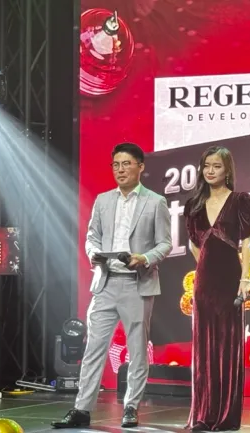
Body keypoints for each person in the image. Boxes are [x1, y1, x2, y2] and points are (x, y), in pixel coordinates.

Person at [52, 143, 172, 429]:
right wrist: (93, 252)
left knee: (137, 349)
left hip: (136, 283)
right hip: (105, 282)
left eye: (126, 163)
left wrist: (144, 258)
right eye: (116, 164)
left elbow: (165, 243)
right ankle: (82, 409)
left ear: (140, 166)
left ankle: (131, 406)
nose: (120, 169)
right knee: (93, 348)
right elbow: (92, 236)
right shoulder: (103, 200)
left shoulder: (155, 202)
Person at [183, 146, 250, 431]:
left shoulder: (240, 200)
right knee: (204, 348)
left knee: (228, 345)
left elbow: (247, 242)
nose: (210, 171)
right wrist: (205, 266)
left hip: (230, 279)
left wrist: (245, 278)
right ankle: (203, 414)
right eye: (206, 166)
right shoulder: (193, 205)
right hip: (204, 282)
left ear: (227, 170)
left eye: (216, 166)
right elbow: (194, 245)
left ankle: (225, 415)